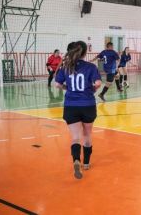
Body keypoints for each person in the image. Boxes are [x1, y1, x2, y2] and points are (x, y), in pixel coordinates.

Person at [55, 41, 102, 179]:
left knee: (75, 138)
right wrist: (93, 89)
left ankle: (76, 160)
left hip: (71, 106)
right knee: (87, 136)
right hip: (87, 105)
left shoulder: (66, 67)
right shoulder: (91, 67)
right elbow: (98, 83)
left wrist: (67, 88)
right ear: (85, 53)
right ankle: (86, 163)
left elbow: (57, 85)